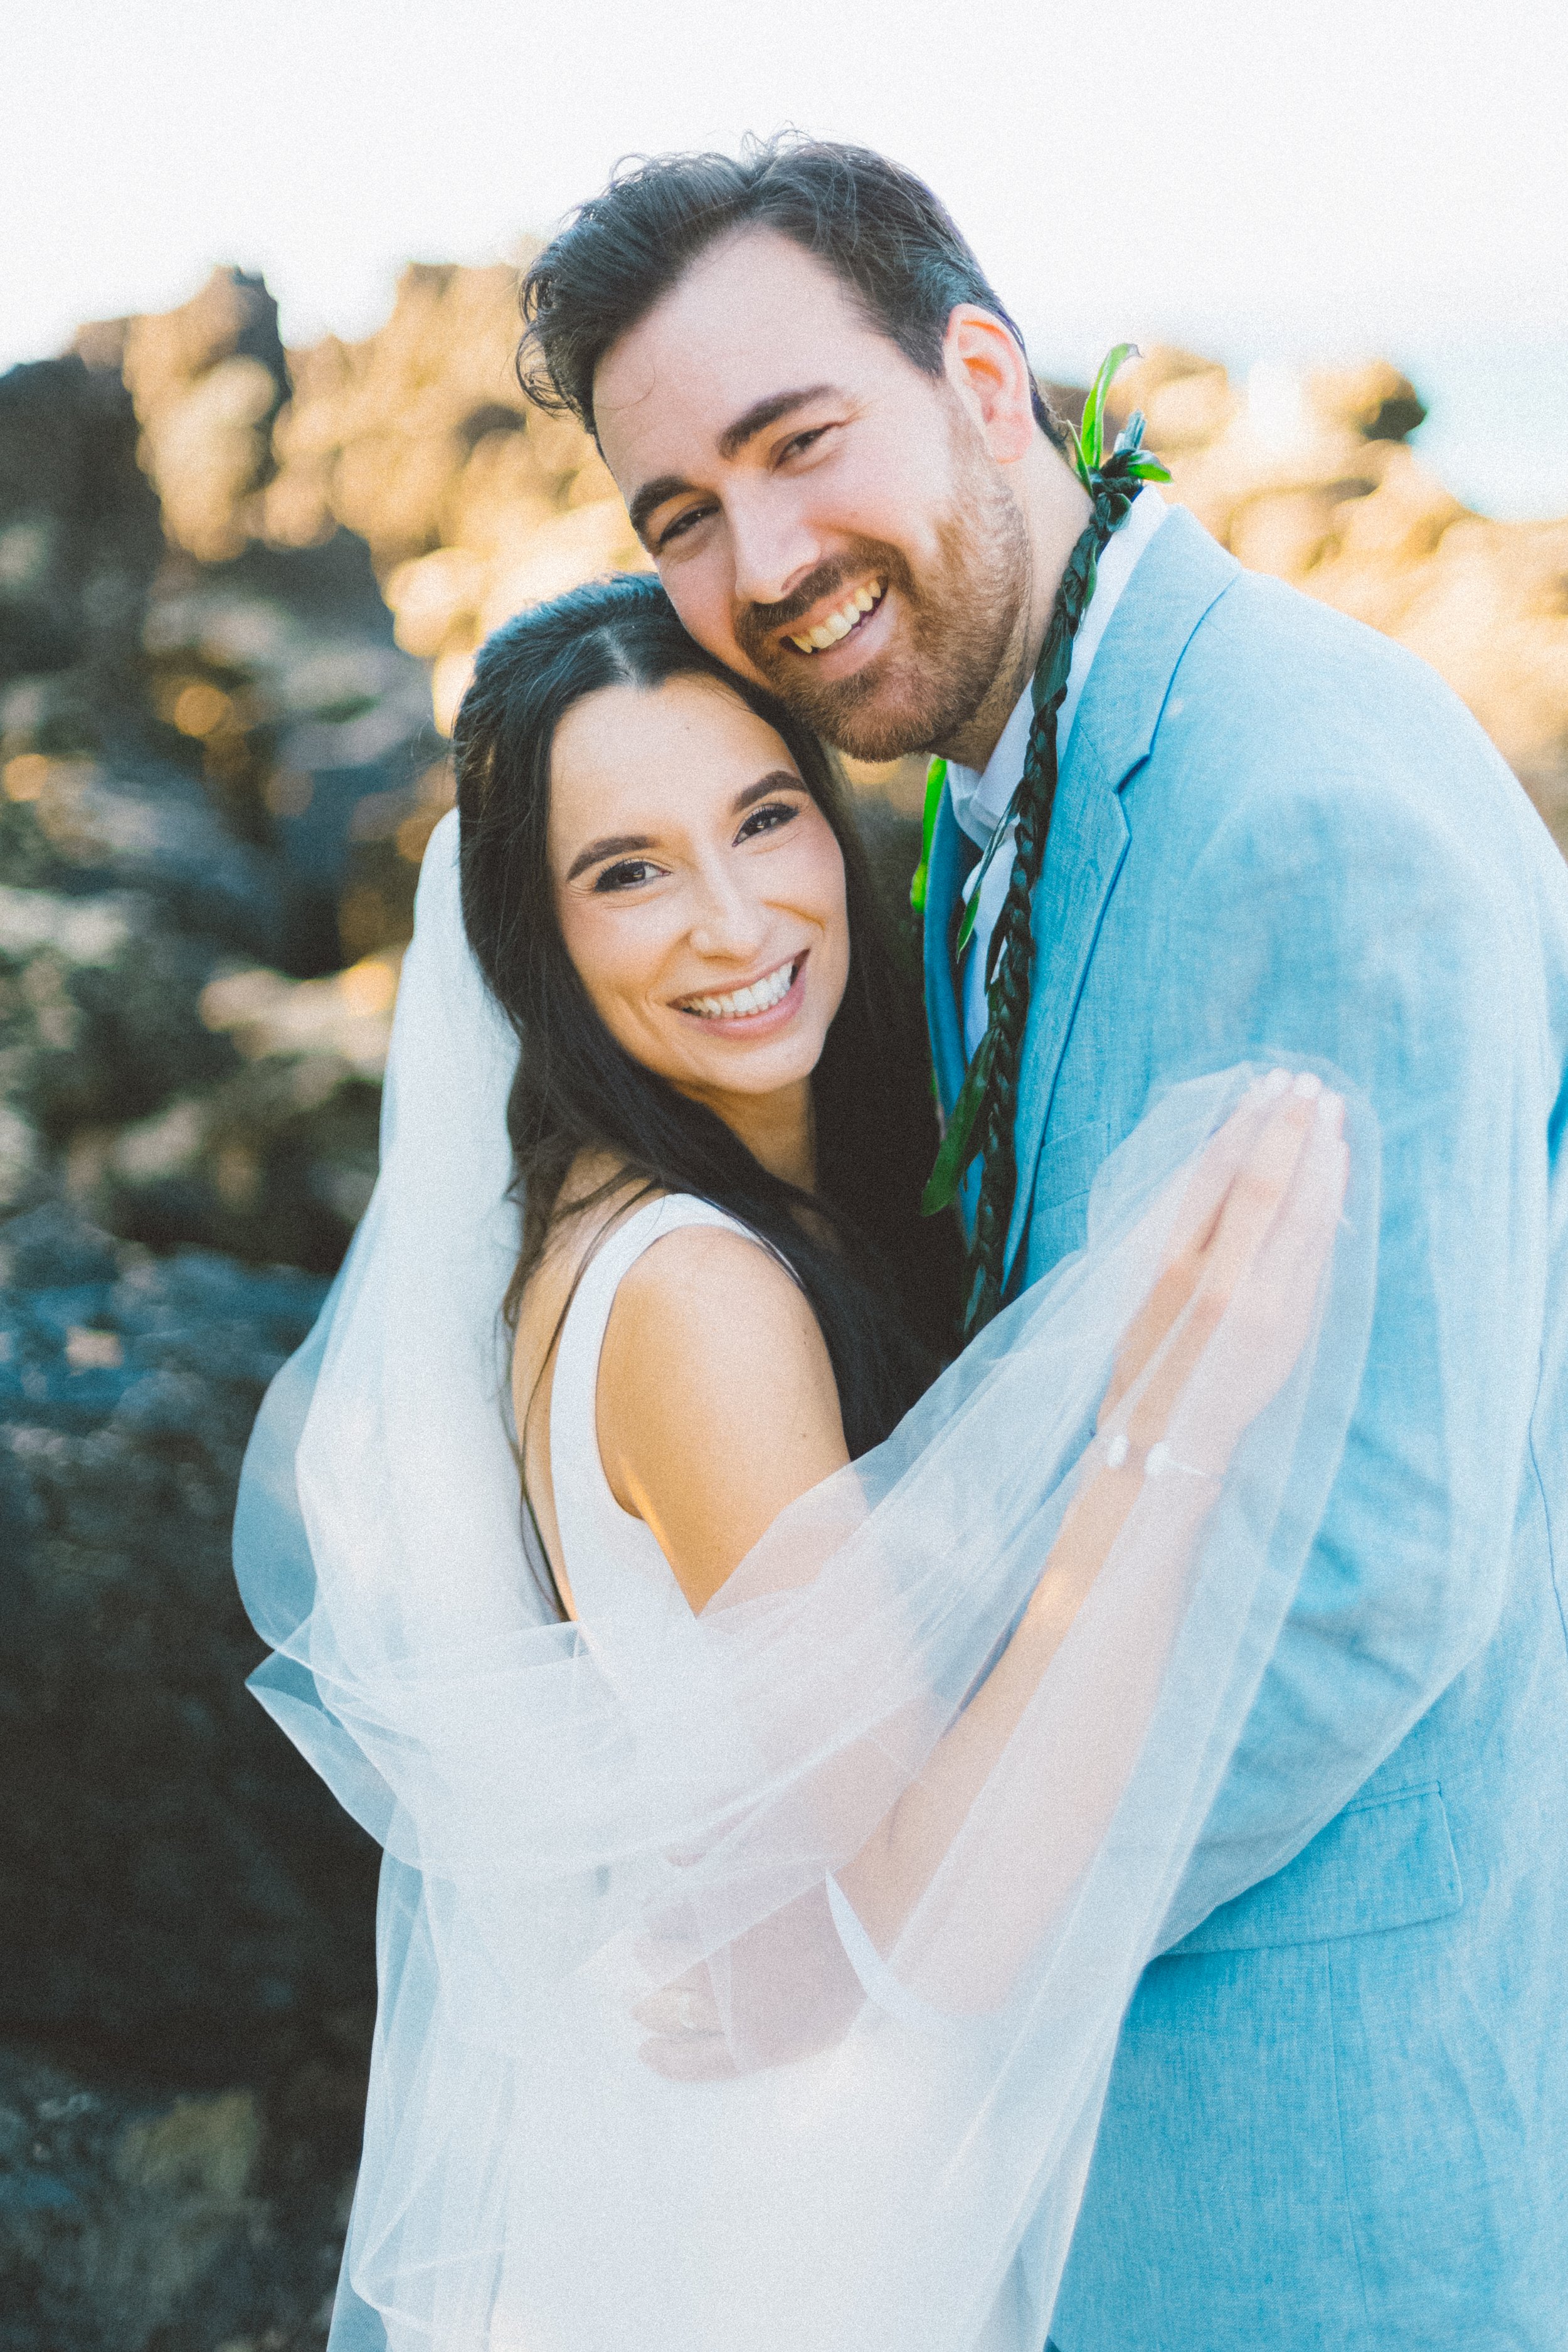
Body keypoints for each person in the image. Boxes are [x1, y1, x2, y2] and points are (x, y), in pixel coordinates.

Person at [513, 137, 1568, 2348]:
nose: (765, 563)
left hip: (1288, 2152)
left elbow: (1366, 1575)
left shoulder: (1299, 803)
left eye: (800, 446)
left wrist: (916, 1948)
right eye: (679, 514)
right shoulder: (998, 781)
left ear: (984, 376)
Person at [236, 573, 1363, 2351]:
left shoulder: (641, 1215)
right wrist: (1173, 1428)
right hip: (789, 2210)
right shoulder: (698, 1296)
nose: (732, 917)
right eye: (627, 871)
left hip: (736, 2126)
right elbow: (936, 1920)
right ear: (534, 935)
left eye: (764, 818)